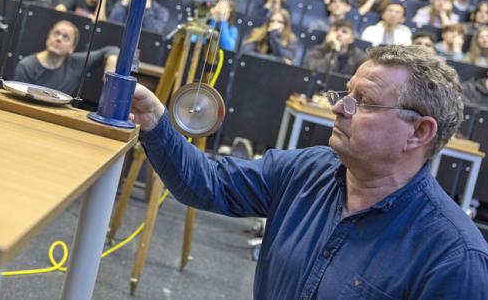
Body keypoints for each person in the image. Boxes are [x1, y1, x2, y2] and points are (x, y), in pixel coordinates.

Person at [131, 45, 488, 299]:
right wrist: (154, 120)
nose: (338, 107)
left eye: (362, 101)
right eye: (345, 93)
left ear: (419, 132)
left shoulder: (454, 257)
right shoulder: (308, 169)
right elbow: (206, 184)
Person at [13, 20, 118, 95]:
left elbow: (111, 50)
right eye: (56, 34)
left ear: (72, 48)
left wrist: (112, 62)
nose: (59, 39)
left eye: (65, 37)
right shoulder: (26, 66)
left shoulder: (76, 63)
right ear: (48, 37)